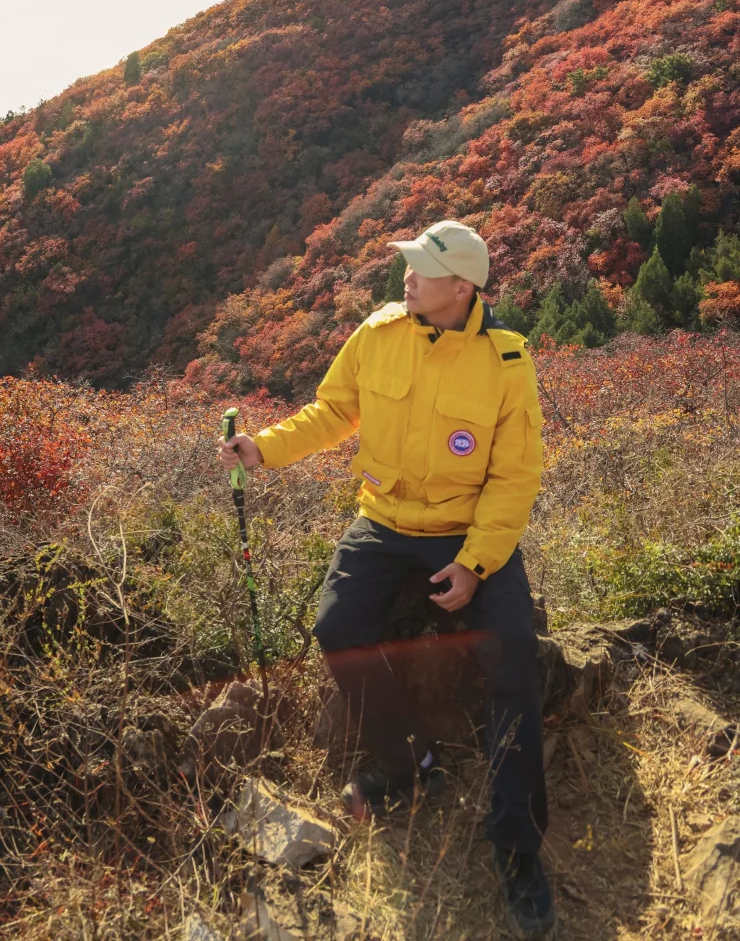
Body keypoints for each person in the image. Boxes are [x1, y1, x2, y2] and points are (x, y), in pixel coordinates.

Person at [219, 220, 555, 940]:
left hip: (468, 528)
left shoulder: (505, 361)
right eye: (407, 265)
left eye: (421, 269)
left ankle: (518, 845)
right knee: (337, 629)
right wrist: (264, 448)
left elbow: (515, 474)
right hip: (384, 521)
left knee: (513, 654)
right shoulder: (377, 332)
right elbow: (336, 411)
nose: (406, 277)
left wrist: (475, 565)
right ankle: (410, 764)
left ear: (461, 287)